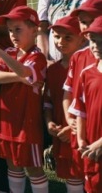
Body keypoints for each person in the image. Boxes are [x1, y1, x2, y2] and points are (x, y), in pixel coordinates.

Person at [0, 6, 48, 192]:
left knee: (34, 168)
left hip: (27, 123)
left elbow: (25, 71)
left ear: (34, 30)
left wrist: (0, 53)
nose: (13, 34)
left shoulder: (37, 56)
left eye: (18, 29)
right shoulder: (12, 53)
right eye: (10, 30)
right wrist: (19, 77)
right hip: (7, 121)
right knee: (13, 165)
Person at [61, 0, 102, 183]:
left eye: (90, 21)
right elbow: (70, 93)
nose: (85, 27)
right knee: (84, 175)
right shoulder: (78, 58)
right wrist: (71, 120)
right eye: (82, 22)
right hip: (84, 130)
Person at [43, 16, 85, 192]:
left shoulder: (88, 68)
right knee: (72, 176)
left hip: (84, 133)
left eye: (68, 37)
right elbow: (48, 101)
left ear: (82, 38)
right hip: (62, 134)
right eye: (57, 36)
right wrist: (49, 122)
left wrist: (73, 127)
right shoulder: (52, 70)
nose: (61, 42)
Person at [69, 16, 102, 193]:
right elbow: (80, 111)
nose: (96, 47)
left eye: (101, 42)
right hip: (91, 148)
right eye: (93, 41)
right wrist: (81, 140)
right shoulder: (87, 73)